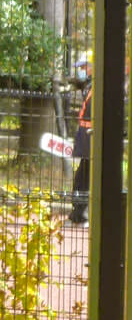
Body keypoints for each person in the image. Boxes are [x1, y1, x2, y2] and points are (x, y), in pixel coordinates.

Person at [70, 56, 92, 225]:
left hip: (91, 137)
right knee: (82, 176)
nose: (82, 71)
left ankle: (82, 214)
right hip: (85, 135)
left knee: (85, 177)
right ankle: (78, 213)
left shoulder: (98, 87)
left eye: (85, 67)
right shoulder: (91, 86)